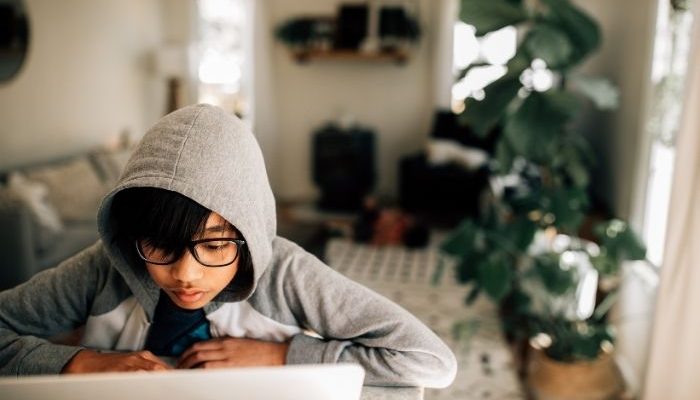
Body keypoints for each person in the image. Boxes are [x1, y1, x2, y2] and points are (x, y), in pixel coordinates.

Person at [0, 104, 457, 387]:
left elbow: (429, 362)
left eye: (215, 246)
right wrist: (78, 363)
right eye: (159, 244)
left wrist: (283, 355)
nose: (185, 274)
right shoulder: (104, 268)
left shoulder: (287, 275)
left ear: (248, 231)